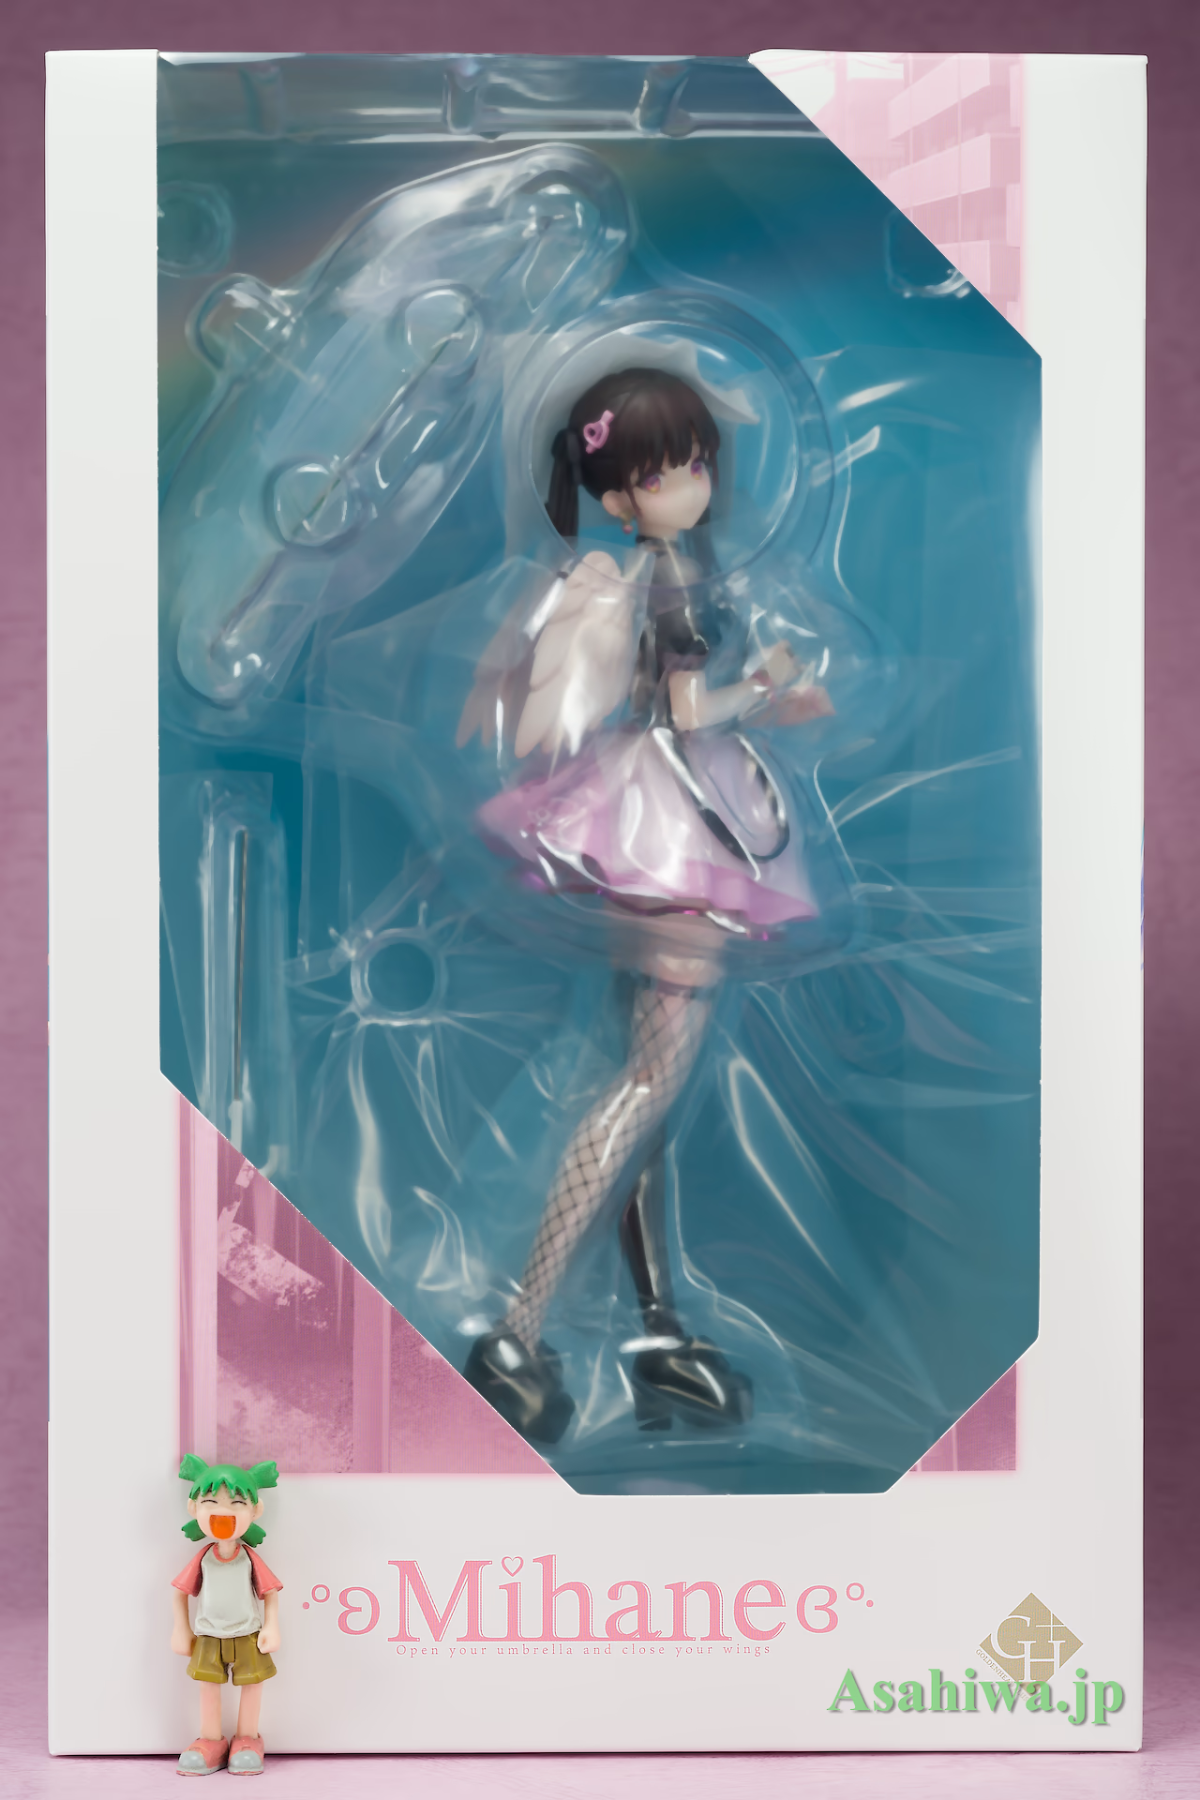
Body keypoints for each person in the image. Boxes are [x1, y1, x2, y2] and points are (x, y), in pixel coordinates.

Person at [457, 367, 833, 1445]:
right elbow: (685, 713)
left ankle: (658, 1331)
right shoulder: (660, 581)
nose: (692, 485)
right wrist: (765, 687)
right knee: (647, 1084)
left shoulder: (679, 569)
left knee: (652, 1094)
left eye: (697, 462)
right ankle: (518, 1330)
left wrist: (780, 696)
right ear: (619, 495)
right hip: (668, 827)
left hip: (663, 811)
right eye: (665, 473)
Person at [170, 1455, 282, 1777]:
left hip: (248, 1634)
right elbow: (180, 1592)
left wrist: (271, 1626)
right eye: (210, 1502)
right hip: (208, 1636)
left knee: (253, 1685)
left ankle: (247, 1738)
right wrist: (181, 1629)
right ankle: (211, 1740)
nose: (224, 1512)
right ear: (194, 1508)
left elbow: (270, 1592)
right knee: (208, 1686)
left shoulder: (248, 1558)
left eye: (237, 1503)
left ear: (255, 1511)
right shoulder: (204, 1558)